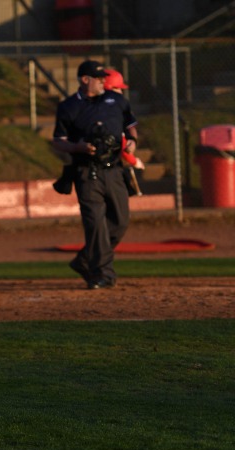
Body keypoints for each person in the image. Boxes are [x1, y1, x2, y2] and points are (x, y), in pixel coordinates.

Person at [51, 60, 138, 289]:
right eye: (98, 78)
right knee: (95, 224)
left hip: (114, 170)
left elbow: (130, 125)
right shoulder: (69, 106)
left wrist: (132, 141)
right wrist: (77, 147)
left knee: (120, 221)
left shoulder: (116, 101)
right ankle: (103, 273)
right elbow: (58, 141)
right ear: (85, 79)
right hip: (86, 173)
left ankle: (84, 259)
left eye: (103, 78)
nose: (102, 82)